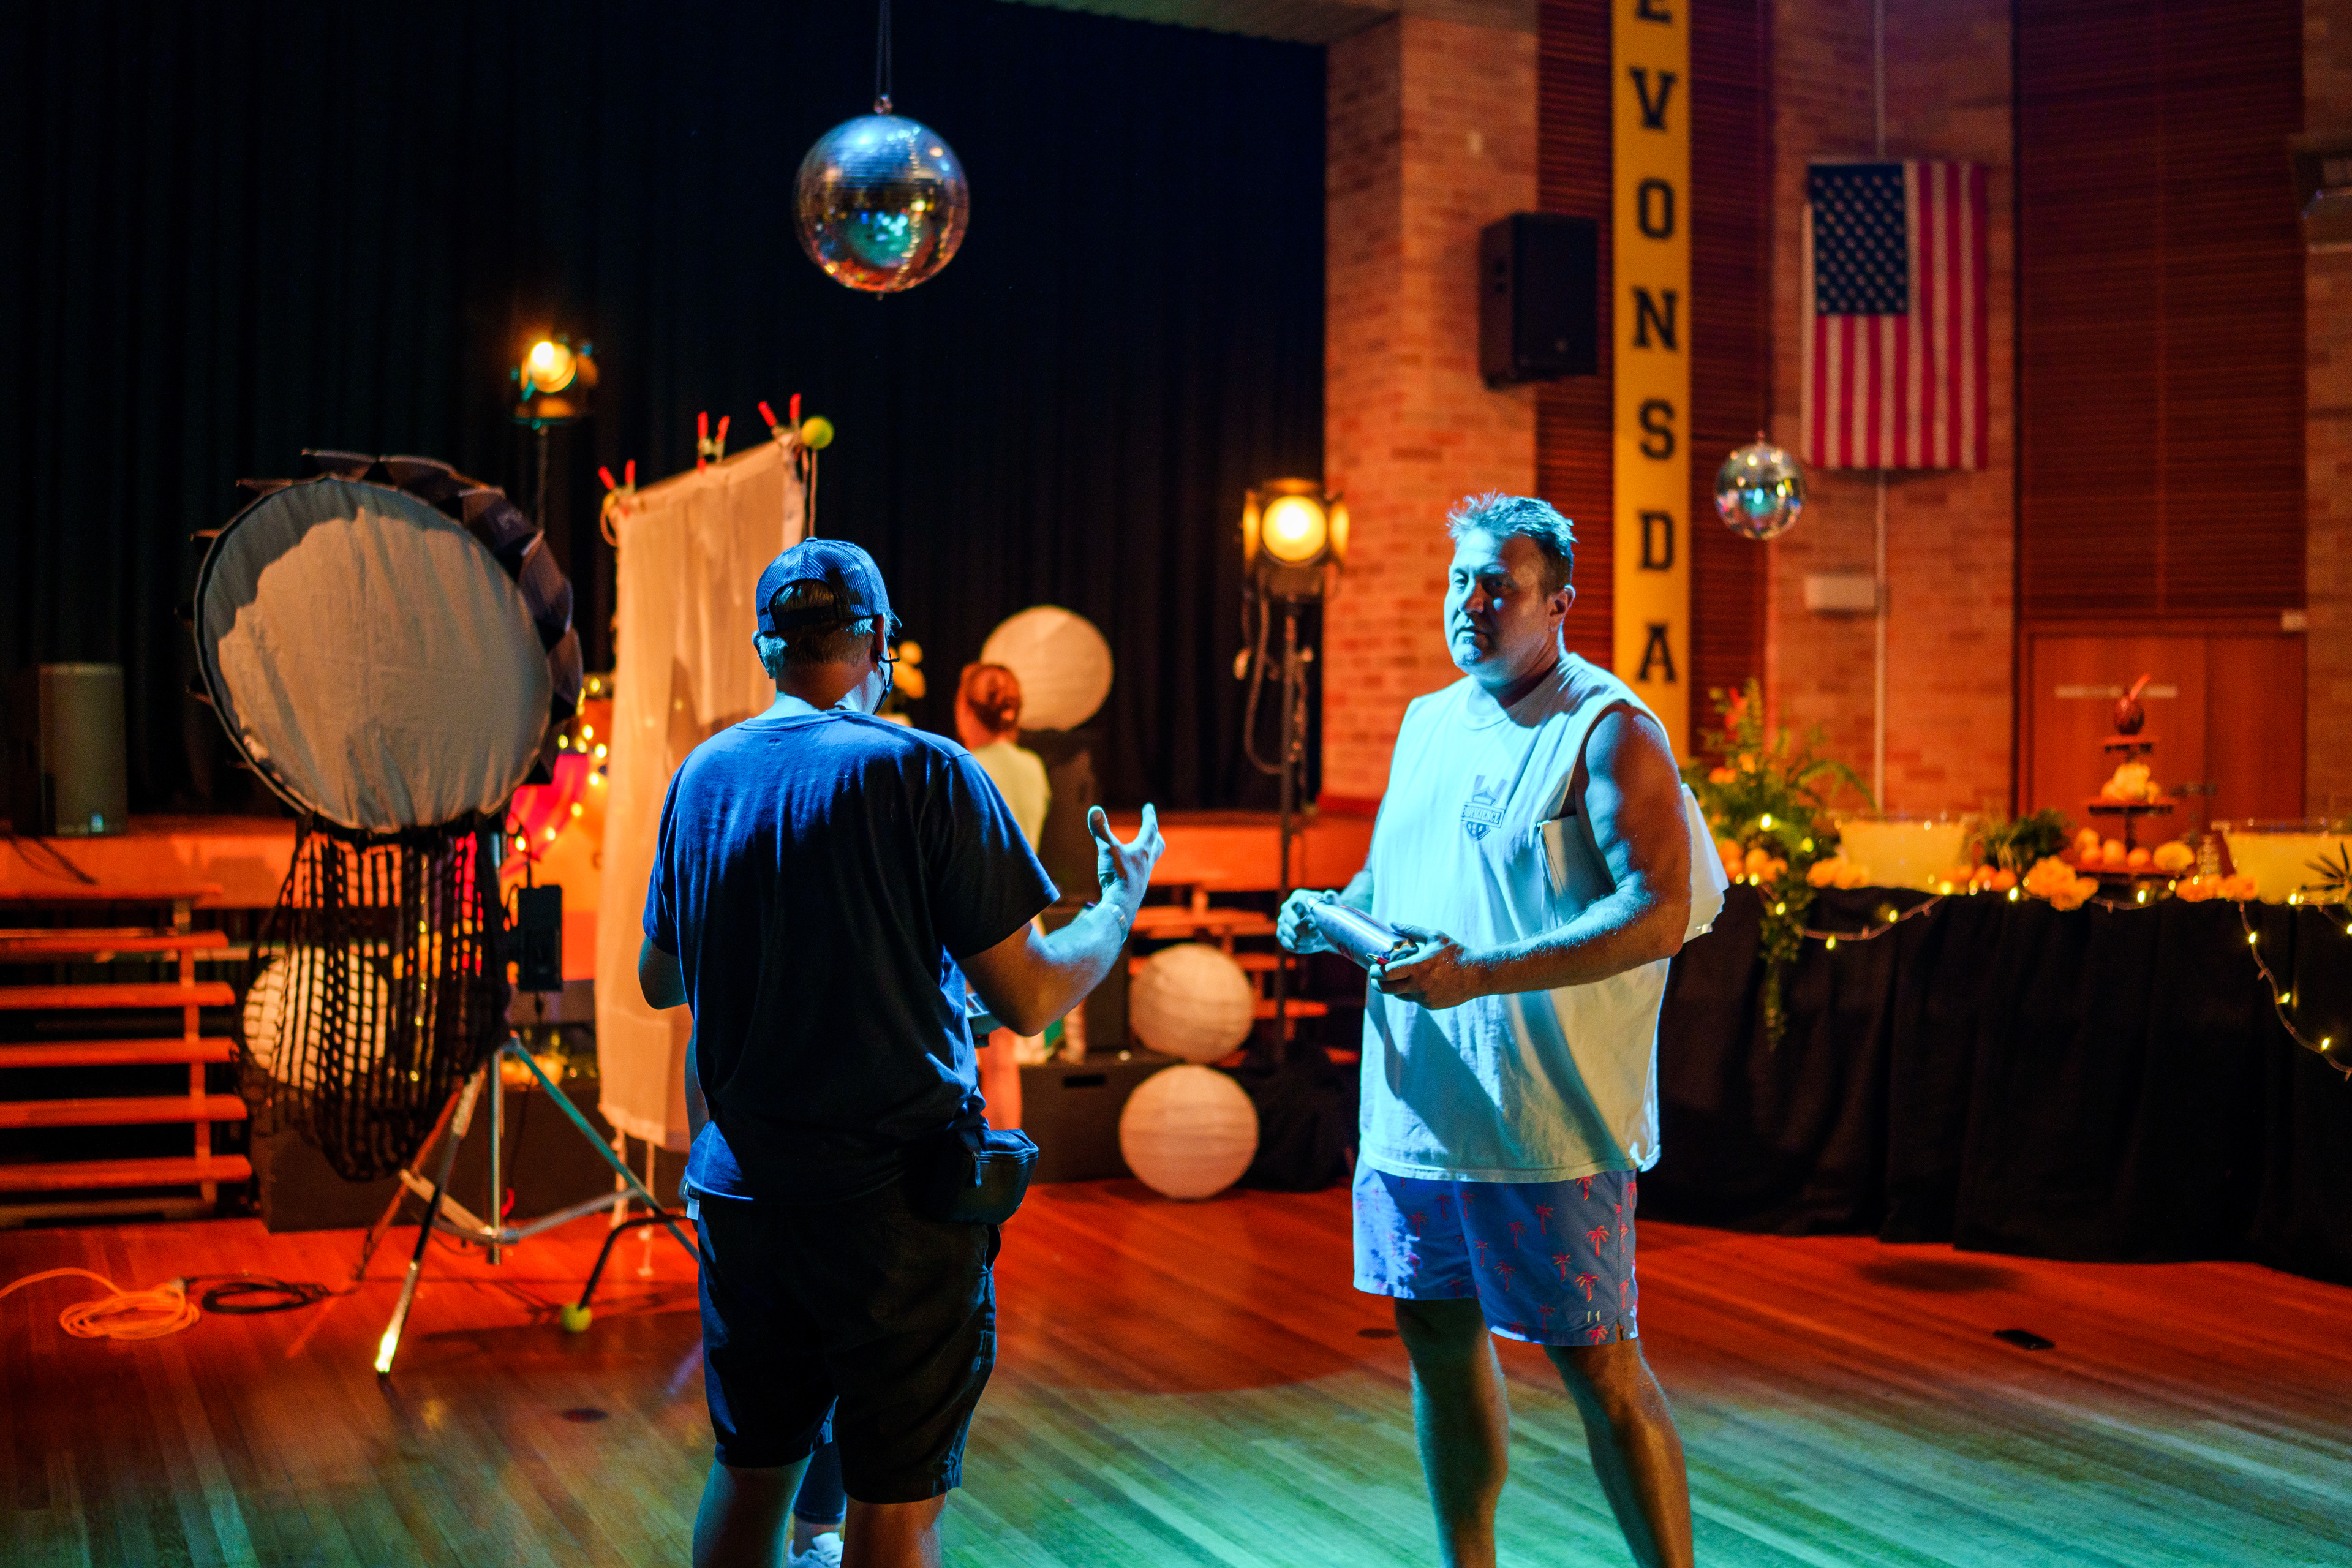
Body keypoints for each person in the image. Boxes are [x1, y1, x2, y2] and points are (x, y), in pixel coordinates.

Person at [638, 537, 1164, 1568]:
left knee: (751, 1473)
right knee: (894, 1500)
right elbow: (1028, 995)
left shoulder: (704, 775)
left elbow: (662, 979)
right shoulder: (925, 770)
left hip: (745, 1199)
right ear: (878, 640)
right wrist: (1118, 906)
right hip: (893, 1209)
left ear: (766, 647)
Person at [1278, 493, 1721, 1568]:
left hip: (1546, 1127)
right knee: (1437, 1347)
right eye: (1461, 581)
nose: (1472, 603)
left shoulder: (1606, 727)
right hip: (1417, 1118)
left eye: (1500, 587)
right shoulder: (1428, 720)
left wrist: (1480, 975)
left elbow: (1660, 911)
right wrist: (1334, 912)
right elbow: (1399, 879)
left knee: (1599, 1368)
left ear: (1558, 604)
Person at [954, 662, 1053, 1125]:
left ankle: (967, 1164)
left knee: (964, 1061)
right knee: (1004, 1060)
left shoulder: (963, 766)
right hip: (1026, 923)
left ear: (966, 710)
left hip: (973, 924)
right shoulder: (1034, 769)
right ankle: (1005, 1166)